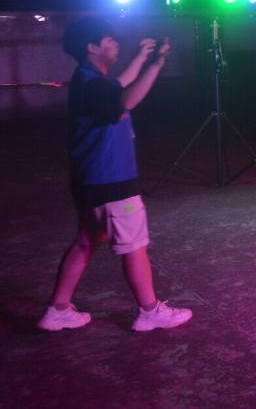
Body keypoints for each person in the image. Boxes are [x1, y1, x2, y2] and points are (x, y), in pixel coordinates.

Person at [38, 18, 192, 333]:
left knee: (86, 241)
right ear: (92, 47)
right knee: (134, 245)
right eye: (109, 39)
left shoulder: (91, 79)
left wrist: (141, 58)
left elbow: (119, 86)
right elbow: (126, 99)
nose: (115, 43)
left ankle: (58, 310)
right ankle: (149, 311)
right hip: (111, 179)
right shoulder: (93, 83)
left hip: (91, 179)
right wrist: (156, 65)